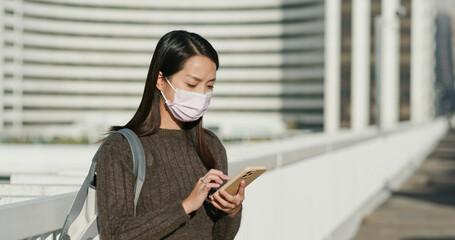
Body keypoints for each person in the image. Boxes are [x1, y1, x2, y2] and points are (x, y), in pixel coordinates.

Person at [96, 30, 245, 239]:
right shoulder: (121, 147)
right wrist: (185, 207)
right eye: (192, 84)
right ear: (160, 80)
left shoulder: (211, 146)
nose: (201, 95)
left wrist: (232, 211)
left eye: (209, 86)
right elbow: (114, 234)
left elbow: (221, 237)